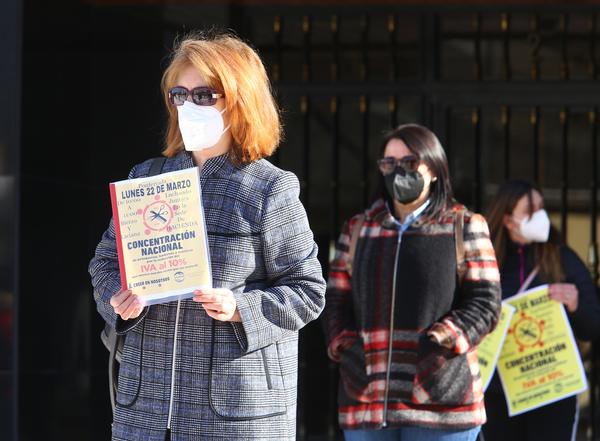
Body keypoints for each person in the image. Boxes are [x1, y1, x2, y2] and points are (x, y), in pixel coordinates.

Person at [88, 32, 326, 441]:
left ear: (239, 100)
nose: (187, 106)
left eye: (203, 95)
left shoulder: (268, 187)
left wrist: (241, 308)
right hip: (147, 407)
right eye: (178, 95)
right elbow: (105, 264)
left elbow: (308, 291)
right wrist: (119, 299)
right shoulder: (146, 178)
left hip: (233, 411)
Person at [322, 123, 501, 441]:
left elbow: (486, 304)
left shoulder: (464, 225)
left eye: (408, 162)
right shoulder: (358, 228)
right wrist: (348, 347)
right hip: (368, 397)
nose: (397, 171)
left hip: (441, 399)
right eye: (388, 163)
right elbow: (335, 298)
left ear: (433, 168)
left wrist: (440, 342)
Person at [482, 180, 600, 441]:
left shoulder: (562, 258)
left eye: (542, 207)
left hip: (552, 390)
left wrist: (575, 304)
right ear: (508, 219)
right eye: (530, 210)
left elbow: (593, 325)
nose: (541, 215)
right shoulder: (484, 262)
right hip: (498, 393)